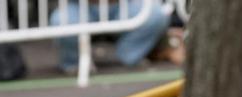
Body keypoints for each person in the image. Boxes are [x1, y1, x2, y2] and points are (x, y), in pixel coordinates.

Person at [49, 1, 180, 73]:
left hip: (124, 4)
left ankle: (130, 54)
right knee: (61, 21)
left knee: (156, 13)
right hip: (80, 6)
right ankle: (74, 62)